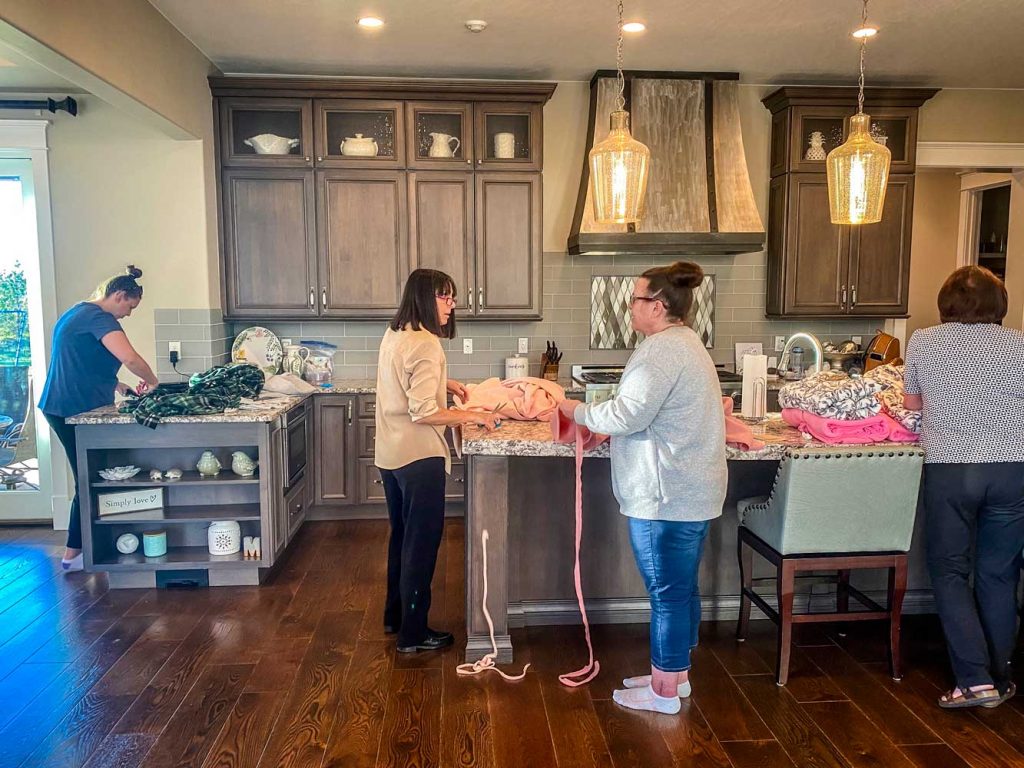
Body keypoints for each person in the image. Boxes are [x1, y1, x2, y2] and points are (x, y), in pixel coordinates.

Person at [558, 261, 727, 715]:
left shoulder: (660, 352)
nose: (628, 307)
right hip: (690, 491)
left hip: (664, 495)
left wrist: (575, 410)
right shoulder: (687, 344)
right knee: (681, 588)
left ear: (657, 305)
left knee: (666, 594)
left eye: (634, 299)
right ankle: (674, 675)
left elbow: (627, 415)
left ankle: (663, 693)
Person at [902, 265, 1024, 710]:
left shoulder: (925, 342)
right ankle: (1001, 677)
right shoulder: (1020, 344)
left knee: (951, 572)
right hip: (1013, 469)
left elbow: (912, 404)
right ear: (998, 305)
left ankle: (974, 681)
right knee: (998, 575)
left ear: (946, 303)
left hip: (951, 469)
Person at [375, 268, 498, 653]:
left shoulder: (396, 332)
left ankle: (396, 617)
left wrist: (445, 382)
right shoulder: (427, 343)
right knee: (422, 545)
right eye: (445, 297)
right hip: (419, 458)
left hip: (391, 455)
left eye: (452, 297)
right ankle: (414, 633)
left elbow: (402, 378)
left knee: (402, 538)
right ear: (426, 298)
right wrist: (473, 416)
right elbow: (423, 411)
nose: (452, 304)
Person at [38, 265, 160, 572]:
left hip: (64, 405)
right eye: (129, 307)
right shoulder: (98, 317)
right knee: (87, 479)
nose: (128, 315)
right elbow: (129, 358)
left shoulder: (77, 313)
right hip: (72, 409)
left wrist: (113, 384)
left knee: (91, 476)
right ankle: (74, 554)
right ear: (119, 296)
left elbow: (78, 360)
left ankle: (84, 549)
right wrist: (154, 383)